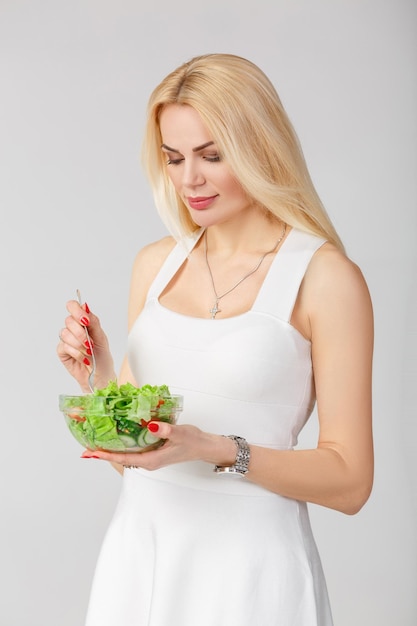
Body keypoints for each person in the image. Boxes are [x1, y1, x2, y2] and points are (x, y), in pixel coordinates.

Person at [57, 53, 374, 626]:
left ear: (261, 148)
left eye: (212, 156)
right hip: (140, 561)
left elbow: (351, 481)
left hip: (251, 576)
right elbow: (137, 459)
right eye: (174, 158)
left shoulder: (325, 278)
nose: (188, 180)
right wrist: (98, 376)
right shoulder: (154, 265)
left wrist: (221, 449)